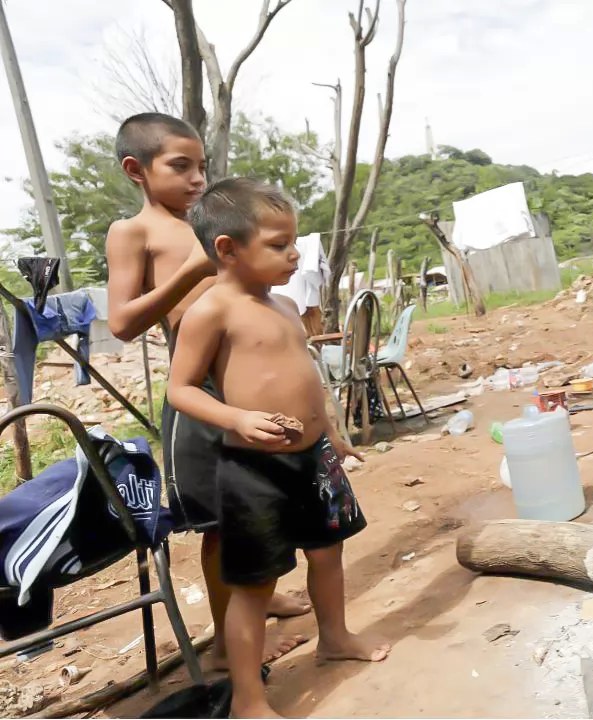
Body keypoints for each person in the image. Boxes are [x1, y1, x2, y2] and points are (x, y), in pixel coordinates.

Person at [170, 178, 389, 718]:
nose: (294, 254)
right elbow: (181, 389)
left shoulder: (287, 305)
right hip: (253, 468)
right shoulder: (210, 311)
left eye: (293, 241)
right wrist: (238, 417)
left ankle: (334, 636)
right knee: (254, 584)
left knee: (329, 552)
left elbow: (304, 376)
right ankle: (248, 698)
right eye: (278, 244)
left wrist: (332, 434)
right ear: (227, 249)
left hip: (313, 458)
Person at [104, 113, 310, 669]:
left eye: (201, 166)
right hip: (200, 390)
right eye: (180, 166)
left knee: (266, 501)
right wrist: (192, 272)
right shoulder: (134, 232)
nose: (196, 177)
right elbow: (121, 322)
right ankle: (225, 643)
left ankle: (260, 598)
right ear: (136, 170)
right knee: (222, 521)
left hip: (248, 379)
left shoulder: (214, 219)